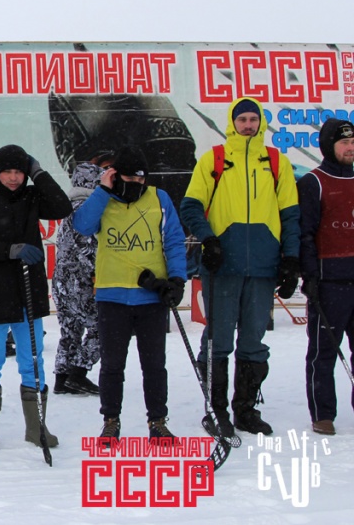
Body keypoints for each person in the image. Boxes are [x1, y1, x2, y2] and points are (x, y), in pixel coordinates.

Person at [180, 97, 300, 436]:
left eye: (253, 119)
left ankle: (245, 410)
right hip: (222, 266)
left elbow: (291, 216)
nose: (248, 125)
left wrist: (291, 260)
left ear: (261, 122)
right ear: (232, 123)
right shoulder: (214, 159)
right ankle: (216, 410)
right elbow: (190, 206)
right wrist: (209, 240)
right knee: (218, 340)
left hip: (263, 267)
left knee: (253, 342)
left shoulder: (277, 162)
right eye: (242, 119)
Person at [0, 145, 71, 451]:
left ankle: (36, 427)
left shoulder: (31, 196)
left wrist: (39, 173)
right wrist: (10, 250)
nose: (13, 178)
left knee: (32, 360)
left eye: (19, 171)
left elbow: (62, 207)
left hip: (28, 292)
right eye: (7, 171)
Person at [72, 146, 188, 438]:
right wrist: (102, 190)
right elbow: (82, 226)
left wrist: (177, 280)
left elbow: (174, 240)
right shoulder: (103, 199)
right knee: (112, 366)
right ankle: (111, 420)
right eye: (129, 179)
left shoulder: (159, 198)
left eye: (141, 180)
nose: (136, 184)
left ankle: (157, 421)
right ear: (115, 175)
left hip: (151, 297)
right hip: (112, 296)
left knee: (154, 366)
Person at [298, 118, 354, 436]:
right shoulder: (313, 182)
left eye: (353, 143)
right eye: (344, 143)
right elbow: (305, 233)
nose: (350, 148)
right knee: (323, 352)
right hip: (329, 282)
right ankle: (323, 414)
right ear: (329, 146)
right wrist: (309, 275)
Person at [51, 158, 106, 395]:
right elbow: (87, 248)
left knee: (70, 329)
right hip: (79, 280)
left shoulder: (68, 208)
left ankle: (62, 378)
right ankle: (78, 374)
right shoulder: (87, 209)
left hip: (61, 280)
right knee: (102, 328)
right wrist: (98, 274)